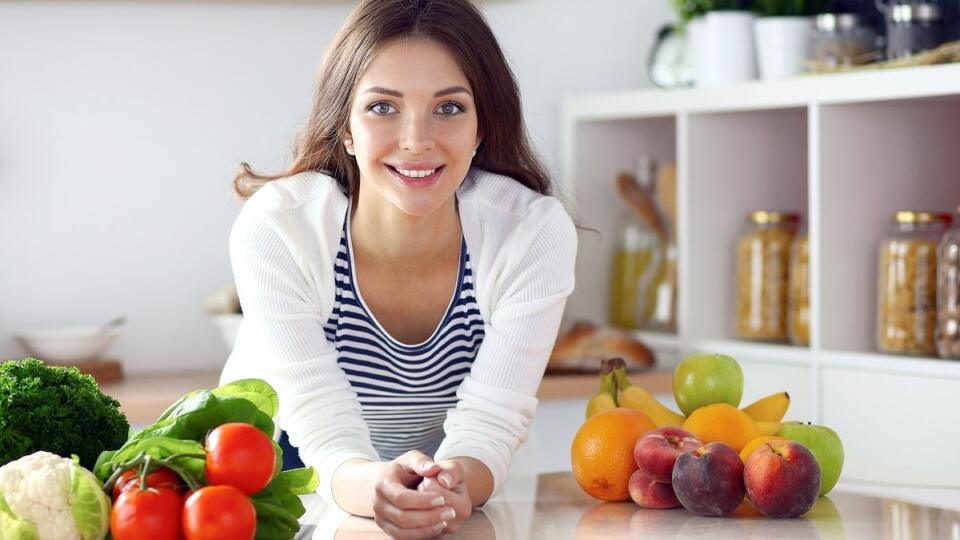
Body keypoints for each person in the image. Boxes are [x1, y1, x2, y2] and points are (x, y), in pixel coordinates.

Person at [219, 0, 577, 537]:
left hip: (429, 484)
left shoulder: (531, 233)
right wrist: (372, 486)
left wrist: (454, 483)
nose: (417, 139)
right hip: (273, 480)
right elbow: (320, 424)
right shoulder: (279, 228)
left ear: (483, 127)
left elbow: (492, 424)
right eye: (383, 108)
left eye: (449, 108)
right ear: (344, 127)